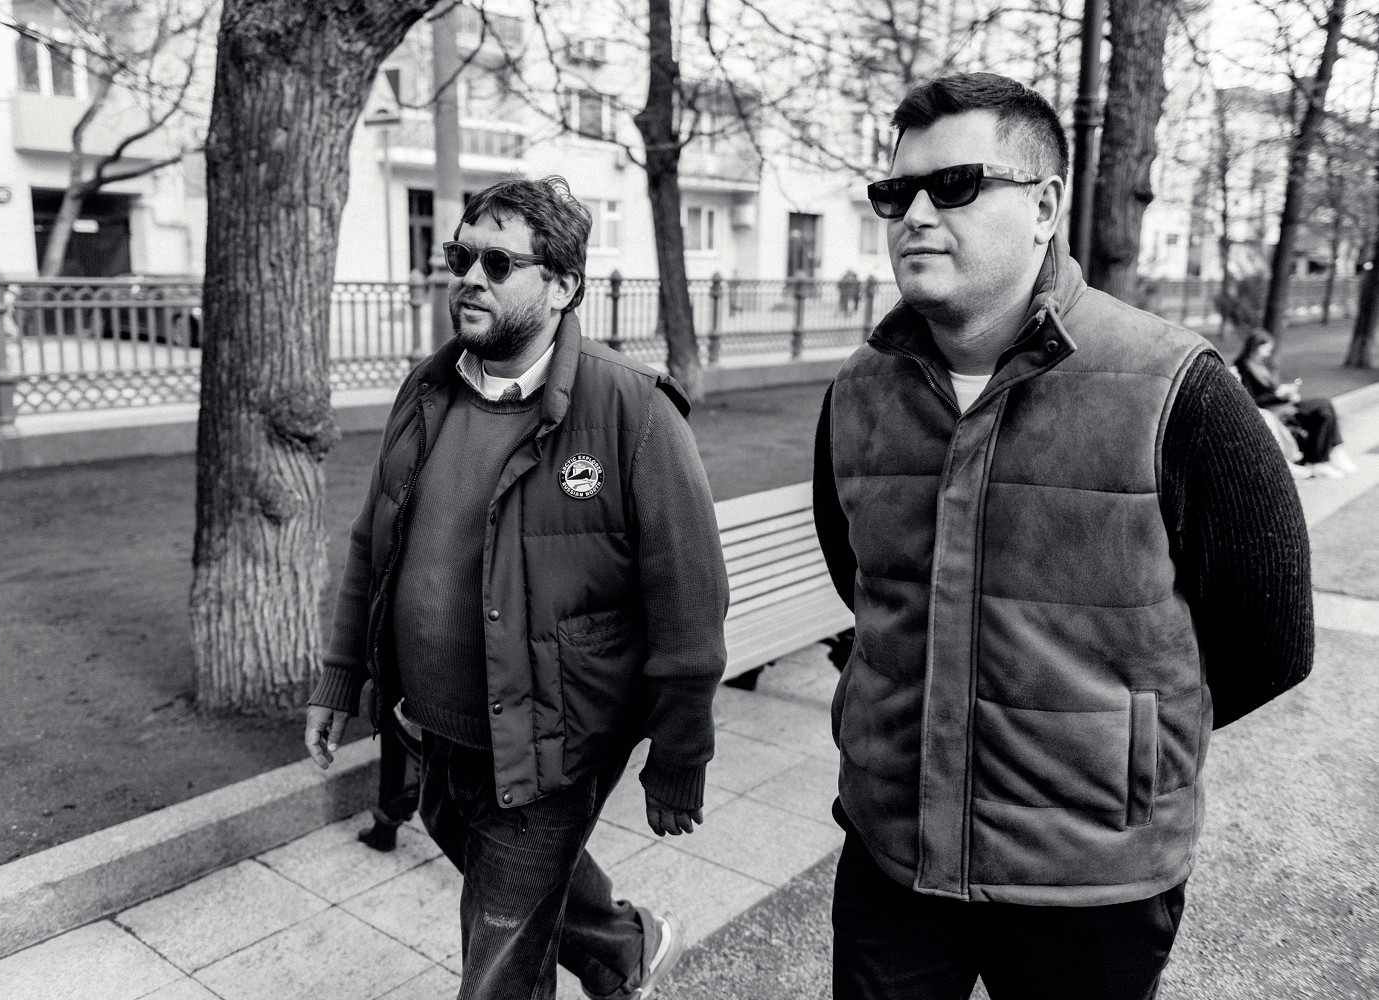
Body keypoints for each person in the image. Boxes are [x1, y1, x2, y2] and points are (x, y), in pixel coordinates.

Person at [813, 73, 1315, 1000]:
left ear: (1044, 206)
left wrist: (1121, 749)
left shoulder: (1174, 386)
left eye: (953, 185)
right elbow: (863, 581)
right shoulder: (858, 391)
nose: (914, 214)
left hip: (1090, 884)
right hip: (891, 856)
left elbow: (1270, 640)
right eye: (895, 192)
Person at [304, 176, 728, 1000]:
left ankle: (613, 948)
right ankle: (623, 947)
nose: (470, 277)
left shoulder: (631, 410)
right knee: (458, 832)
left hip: (553, 739)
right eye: (460, 257)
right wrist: (341, 675)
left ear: (562, 285)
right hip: (432, 723)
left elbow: (689, 601)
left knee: (499, 952)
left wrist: (680, 754)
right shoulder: (425, 390)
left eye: (498, 263)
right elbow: (371, 543)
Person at [1231, 328, 1357, 479]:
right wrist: (1280, 395)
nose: (1268, 353)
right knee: (1324, 404)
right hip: (1275, 408)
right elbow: (1252, 399)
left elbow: (1269, 390)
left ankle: (1326, 456)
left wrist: (1284, 390)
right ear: (1256, 346)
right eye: (1266, 348)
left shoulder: (1258, 364)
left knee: (1325, 412)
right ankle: (1328, 456)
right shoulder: (1243, 366)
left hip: (1282, 403)